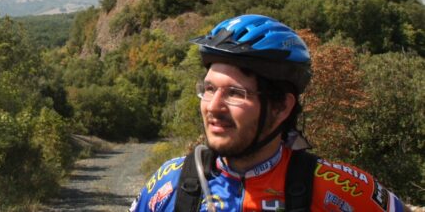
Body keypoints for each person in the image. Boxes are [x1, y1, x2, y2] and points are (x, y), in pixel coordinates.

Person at [129, 14, 410, 212]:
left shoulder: (336, 190)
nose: (213, 106)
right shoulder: (171, 182)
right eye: (210, 89)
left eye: (236, 93)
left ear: (281, 107)